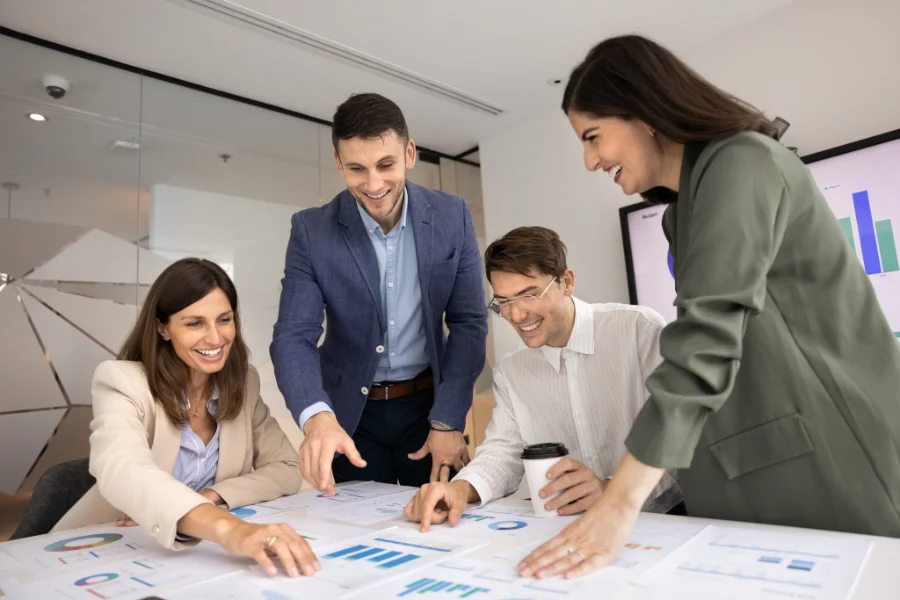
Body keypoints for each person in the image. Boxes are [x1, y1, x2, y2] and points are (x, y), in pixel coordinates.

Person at [519, 34, 900, 581]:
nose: (589, 160)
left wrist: (619, 501)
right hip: (748, 470)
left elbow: (707, 339)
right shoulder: (682, 212)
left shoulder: (743, 162)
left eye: (593, 137)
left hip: (828, 460)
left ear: (644, 112)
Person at [271, 93, 488, 493]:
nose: (373, 185)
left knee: (444, 523)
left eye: (385, 165)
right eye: (356, 168)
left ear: (408, 153)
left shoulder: (452, 216)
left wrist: (449, 419)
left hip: (430, 410)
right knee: (358, 536)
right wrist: (317, 418)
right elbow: (293, 336)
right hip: (350, 417)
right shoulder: (311, 231)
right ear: (338, 163)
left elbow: (469, 323)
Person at [403, 226, 682, 530]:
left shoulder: (637, 330)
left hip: (659, 522)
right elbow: (502, 452)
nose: (517, 315)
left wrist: (611, 489)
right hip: (568, 529)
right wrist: (460, 488)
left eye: (529, 295)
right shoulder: (512, 370)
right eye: (504, 302)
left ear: (567, 282)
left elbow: (677, 436)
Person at [54, 258, 318, 579]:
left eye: (224, 319)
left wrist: (213, 496)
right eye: (194, 323)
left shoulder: (243, 382)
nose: (215, 338)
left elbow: (287, 468)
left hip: (191, 561)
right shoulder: (121, 380)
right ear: (163, 327)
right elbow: (123, 469)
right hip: (101, 550)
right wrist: (229, 529)